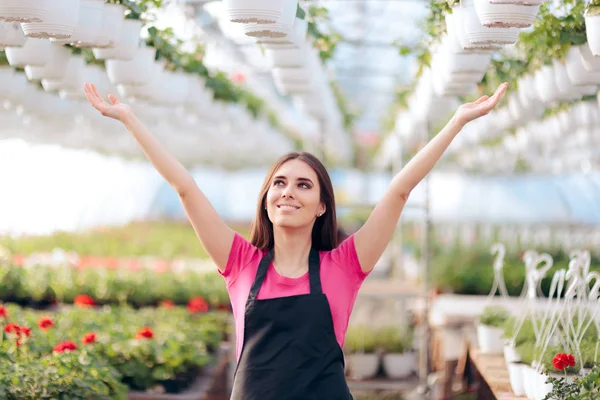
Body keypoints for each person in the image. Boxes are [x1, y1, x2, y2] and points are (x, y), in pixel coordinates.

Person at [83, 81, 508, 399]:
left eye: (304, 185)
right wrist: (129, 120)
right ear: (266, 199)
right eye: (279, 183)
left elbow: (399, 190)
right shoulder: (240, 264)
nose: (288, 191)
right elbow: (185, 188)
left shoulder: (344, 266)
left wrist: (457, 121)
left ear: (322, 205)